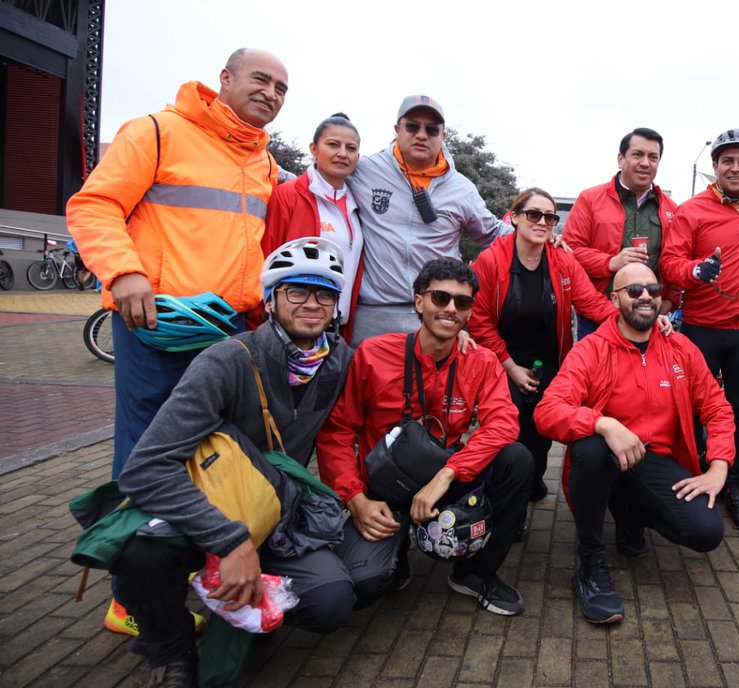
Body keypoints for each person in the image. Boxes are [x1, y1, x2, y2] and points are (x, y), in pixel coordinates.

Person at [66, 48, 288, 634]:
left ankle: (196, 571)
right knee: (146, 455)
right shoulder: (158, 133)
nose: (270, 92)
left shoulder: (263, 163)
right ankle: (129, 596)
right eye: (260, 80)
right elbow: (93, 205)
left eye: (282, 88)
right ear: (225, 80)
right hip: (158, 328)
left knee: (220, 457)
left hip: (231, 331)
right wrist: (124, 272)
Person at [110, 238, 354, 687]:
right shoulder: (226, 360)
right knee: (137, 558)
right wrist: (229, 540)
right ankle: (170, 650)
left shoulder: (339, 362)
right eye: (296, 291)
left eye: (325, 293)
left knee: (332, 599)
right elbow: (144, 468)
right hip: (211, 506)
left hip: (276, 513)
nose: (311, 304)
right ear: (270, 299)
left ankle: (251, 612)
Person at [317, 258, 533, 615]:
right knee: (363, 585)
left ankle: (474, 574)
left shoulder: (480, 361)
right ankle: (396, 554)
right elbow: (337, 432)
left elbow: (503, 424)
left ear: (469, 312)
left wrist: (448, 474)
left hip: (445, 477)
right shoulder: (373, 354)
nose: (450, 308)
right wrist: (355, 499)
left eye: (461, 302)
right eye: (440, 298)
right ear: (419, 302)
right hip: (385, 489)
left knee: (517, 460)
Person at [535, 263, 735, 623]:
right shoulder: (591, 350)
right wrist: (602, 422)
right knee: (590, 447)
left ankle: (631, 517)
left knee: (706, 531)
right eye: (634, 290)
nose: (645, 296)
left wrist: (718, 466)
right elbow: (548, 411)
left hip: (653, 462)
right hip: (605, 461)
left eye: (653, 290)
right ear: (615, 300)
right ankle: (590, 565)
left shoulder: (680, 348)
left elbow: (718, 408)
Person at [468, 188, 617, 504]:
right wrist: (510, 366)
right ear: (515, 217)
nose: (543, 222)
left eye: (550, 216)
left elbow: (590, 302)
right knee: (511, 430)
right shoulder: (491, 260)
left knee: (541, 433)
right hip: (502, 363)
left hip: (549, 361)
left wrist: (630, 319)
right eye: (533, 214)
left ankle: (534, 479)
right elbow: (478, 320)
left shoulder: (562, 260)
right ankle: (511, 500)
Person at [660, 128, 739, 531]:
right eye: (728, 160)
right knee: (692, 410)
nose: (736, 167)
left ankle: (736, 486)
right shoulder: (692, 210)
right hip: (702, 328)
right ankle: (690, 478)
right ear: (715, 166)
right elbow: (670, 264)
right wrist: (696, 270)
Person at [347, 95, 503, 341]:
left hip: (438, 314)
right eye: (412, 126)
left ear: (443, 136)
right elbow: (319, 180)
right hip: (373, 317)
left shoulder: (462, 189)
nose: (421, 135)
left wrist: (544, 232)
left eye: (432, 129)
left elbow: (495, 234)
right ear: (397, 129)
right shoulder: (364, 171)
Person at [562, 127, 680, 337]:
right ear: (620, 159)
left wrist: (668, 303)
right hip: (596, 317)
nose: (645, 163)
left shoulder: (671, 209)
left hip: (648, 319)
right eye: (637, 154)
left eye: (653, 157)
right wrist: (610, 262)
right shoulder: (589, 200)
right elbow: (569, 254)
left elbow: (675, 262)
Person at [262, 112, 364, 338]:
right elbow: (266, 258)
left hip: (336, 331)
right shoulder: (288, 196)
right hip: (288, 330)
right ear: (314, 149)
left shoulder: (358, 202)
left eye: (351, 148)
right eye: (333, 145)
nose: (342, 153)